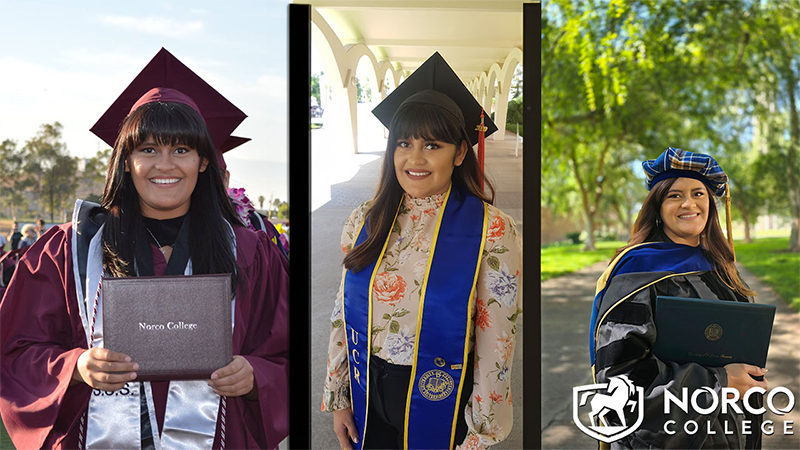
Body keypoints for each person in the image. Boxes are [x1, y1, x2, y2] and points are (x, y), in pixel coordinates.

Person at [0, 48, 288, 450]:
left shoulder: (250, 251)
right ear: (126, 160)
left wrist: (257, 377)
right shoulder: (67, 250)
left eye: (181, 150)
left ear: (204, 162)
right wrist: (77, 367)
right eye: (148, 149)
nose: (164, 165)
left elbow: (285, 350)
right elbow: (15, 350)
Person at [322, 52, 522, 450]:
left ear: (460, 152)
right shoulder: (364, 218)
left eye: (432, 144)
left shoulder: (491, 228)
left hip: (440, 392)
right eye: (403, 143)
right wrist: (339, 396)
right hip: (367, 387)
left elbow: (497, 336)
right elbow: (343, 309)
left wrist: (480, 432)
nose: (415, 158)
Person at [589, 147, 765, 449]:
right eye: (675, 195)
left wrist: (749, 378)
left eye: (699, 193)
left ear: (711, 203)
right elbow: (619, 379)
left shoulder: (720, 266)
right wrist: (719, 382)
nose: (689, 203)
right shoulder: (637, 270)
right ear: (657, 206)